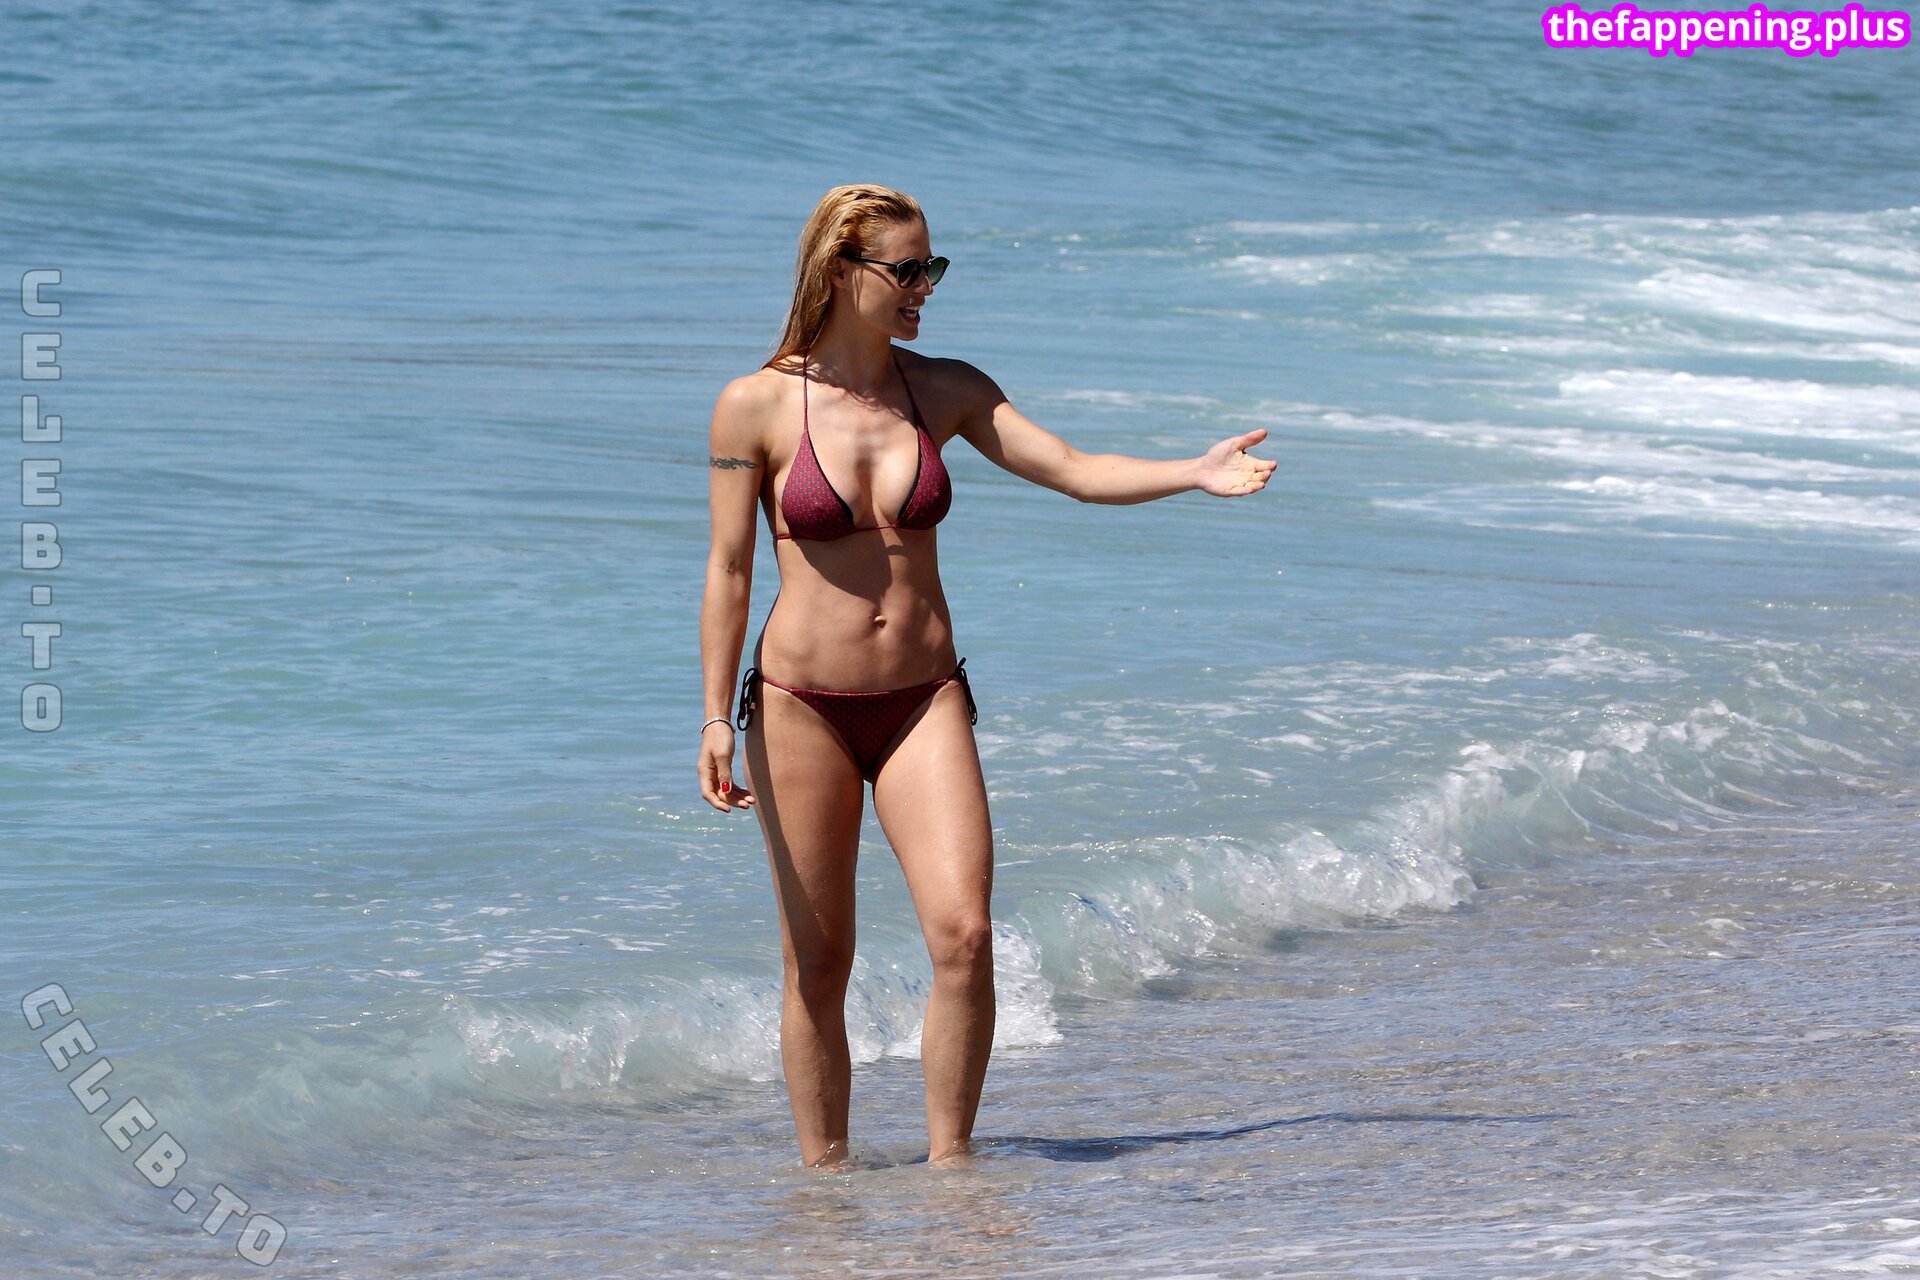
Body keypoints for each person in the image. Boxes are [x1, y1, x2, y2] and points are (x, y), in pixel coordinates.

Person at [697, 184, 1275, 1171]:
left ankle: (952, 1173)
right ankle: (825, 1189)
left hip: (923, 698)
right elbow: (729, 568)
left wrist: (1193, 469)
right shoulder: (754, 405)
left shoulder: (948, 389)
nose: (925, 287)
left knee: (965, 936)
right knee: (820, 962)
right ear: (842, 270)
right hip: (800, 708)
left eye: (933, 268)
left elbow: (1074, 468)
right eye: (907, 270)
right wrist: (715, 716)